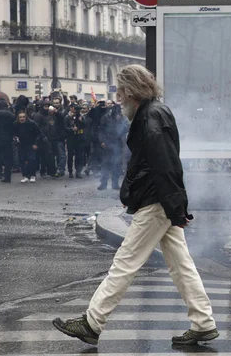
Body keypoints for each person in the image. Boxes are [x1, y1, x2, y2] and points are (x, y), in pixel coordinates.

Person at [53, 64, 218, 346]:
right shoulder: (154, 112)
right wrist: (176, 207)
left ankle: (92, 322)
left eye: (120, 90)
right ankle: (203, 322)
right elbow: (167, 166)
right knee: (181, 265)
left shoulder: (150, 118)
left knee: (125, 262)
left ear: (131, 91)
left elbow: (165, 167)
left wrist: (175, 207)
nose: (118, 97)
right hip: (160, 199)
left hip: (155, 201)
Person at [97, 103, 129, 190]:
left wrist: (120, 121)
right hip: (107, 143)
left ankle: (115, 184)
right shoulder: (106, 117)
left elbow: (127, 127)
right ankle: (103, 183)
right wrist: (102, 141)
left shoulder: (123, 118)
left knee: (117, 164)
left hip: (118, 143)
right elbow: (100, 130)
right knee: (105, 164)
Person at [13, 111, 44, 183]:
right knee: (21, 160)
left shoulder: (31, 123)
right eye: (20, 117)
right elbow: (14, 133)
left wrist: (36, 143)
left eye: (23, 117)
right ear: (18, 118)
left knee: (31, 159)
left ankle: (33, 175)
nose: (22, 119)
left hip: (31, 144)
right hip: (21, 144)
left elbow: (39, 134)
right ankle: (25, 176)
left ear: (26, 117)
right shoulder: (15, 124)